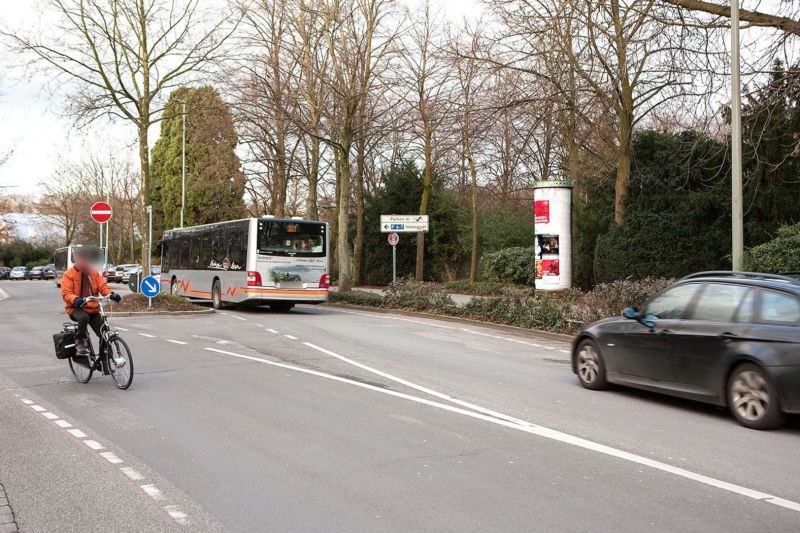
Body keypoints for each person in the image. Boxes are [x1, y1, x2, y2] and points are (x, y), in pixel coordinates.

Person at [61, 246, 122, 355]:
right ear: (76, 259)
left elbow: (102, 286)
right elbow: (66, 293)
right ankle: (79, 340)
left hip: (92, 308)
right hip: (75, 308)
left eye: (86, 259)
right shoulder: (69, 274)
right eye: (82, 258)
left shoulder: (93, 273)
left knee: (104, 333)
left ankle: (105, 362)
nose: (85, 261)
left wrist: (111, 294)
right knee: (83, 317)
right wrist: (75, 300)